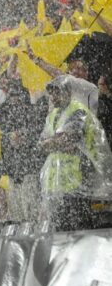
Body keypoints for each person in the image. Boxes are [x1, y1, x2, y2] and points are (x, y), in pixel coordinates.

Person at [39, 76, 100, 231]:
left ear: (67, 92)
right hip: (56, 185)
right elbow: (41, 144)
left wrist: (53, 142)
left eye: (56, 93)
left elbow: (69, 140)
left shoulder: (78, 111)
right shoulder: (52, 115)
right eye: (51, 94)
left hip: (77, 182)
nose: (53, 98)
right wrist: (54, 142)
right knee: (59, 232)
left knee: (79, 230)